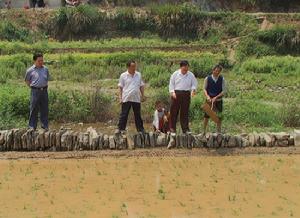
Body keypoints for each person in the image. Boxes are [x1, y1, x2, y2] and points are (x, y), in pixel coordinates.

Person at [169, 60, 198, 134]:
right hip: (176, 94)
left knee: (185, 112)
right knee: (173, 112)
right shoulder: (175, 74)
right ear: (181, 67)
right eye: (184, 68)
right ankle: (172, 129)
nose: (186, 70)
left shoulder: (191, 75)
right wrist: (172, 92)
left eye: (187, 68)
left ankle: (185, 129)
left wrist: (193, 90)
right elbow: (171, 84)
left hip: (186, 94)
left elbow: (194, 84)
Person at [116, 60, 145, 133]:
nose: (134, 68)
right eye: (132, 66)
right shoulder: (123, 75)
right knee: (124, 114)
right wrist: (120, 97)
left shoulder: (138, 74)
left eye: (135, 66)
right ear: (128, 67)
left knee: (137, 115)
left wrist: (143, 95)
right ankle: (121, 128)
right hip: (126, 97)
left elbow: (141, 85)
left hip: (136, 97)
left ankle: (140, 129)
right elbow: (120, 87)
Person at [25, 53, 50, 131]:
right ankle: (32, 126)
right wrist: (33, 88)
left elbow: (47, 78)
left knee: (45, 108)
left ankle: (45, 125)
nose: (41, 62)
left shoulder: (45, 69)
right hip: (35, 91)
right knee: (34, 108)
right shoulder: (30, 70)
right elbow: (27, 81)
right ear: (34, 61)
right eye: (39, 61)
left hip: (44, 91)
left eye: (42, 60)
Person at [203, 64, 226, 133]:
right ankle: (204, 131)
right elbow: (204, 89)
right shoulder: (207, 78)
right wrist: (207, 96)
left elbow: (224, 91)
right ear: (213, 70)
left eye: (218, 71)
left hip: (218, 100)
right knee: (206, 116)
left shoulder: (222, 79)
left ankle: (218, 132)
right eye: (215, 71)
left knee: (219, 116)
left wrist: (216, 97)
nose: (217, 72)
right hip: (209, 101)